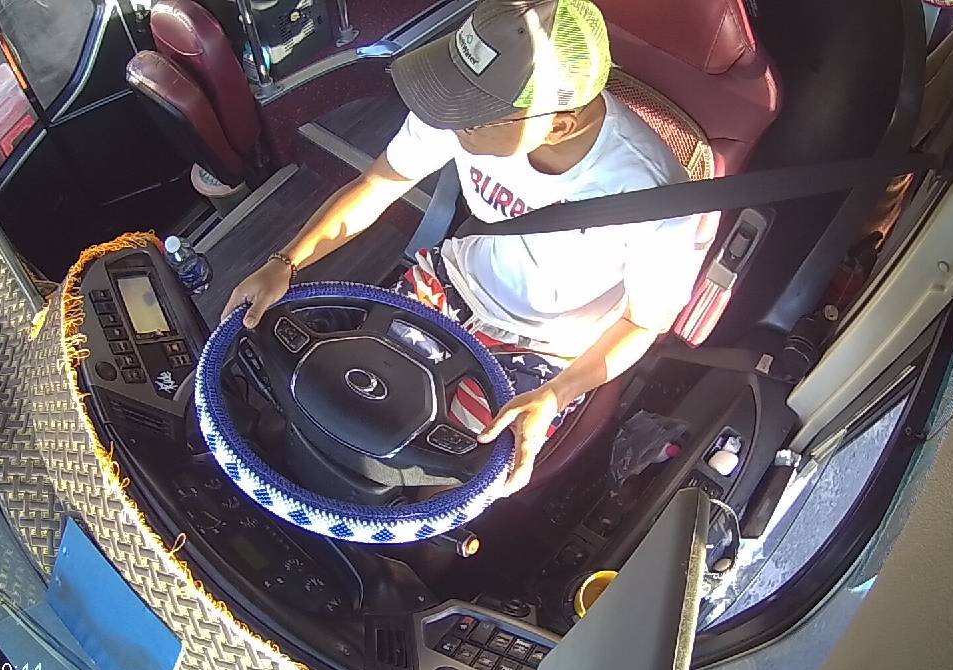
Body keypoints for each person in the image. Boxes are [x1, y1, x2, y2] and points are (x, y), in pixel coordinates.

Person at [222, 0, 704, 497]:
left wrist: (555, 396)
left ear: (559, 124)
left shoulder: (653, 194)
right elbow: (380, 183)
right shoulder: (461, 109)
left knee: (440, 478)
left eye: (471, 118)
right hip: (449, 281)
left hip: (542, 348)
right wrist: (285, 262)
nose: (447, 118)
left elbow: (643, 322)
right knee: (334, 399)